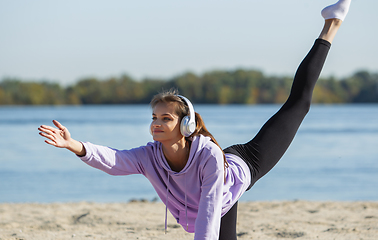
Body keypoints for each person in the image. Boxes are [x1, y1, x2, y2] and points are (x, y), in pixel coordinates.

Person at [38, 1, 352, 239]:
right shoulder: (150, 156)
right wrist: (74, 145)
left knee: (298, 105)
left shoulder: (208, 157)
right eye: (154, 118)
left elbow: (211, 208)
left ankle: (331, 26)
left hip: (240, 168)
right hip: (213, 193)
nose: (156, 123)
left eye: (165, 118)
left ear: (186, 125)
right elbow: (116, 160)